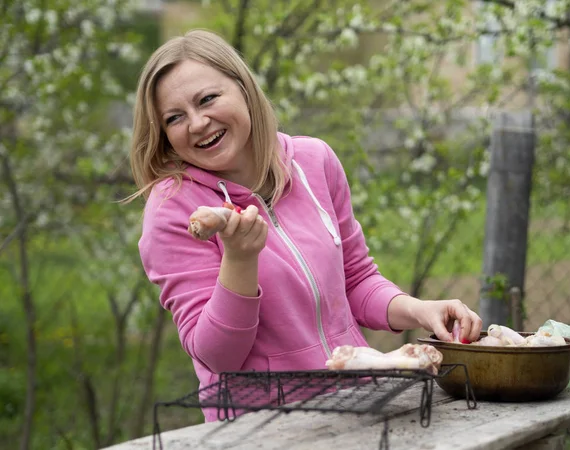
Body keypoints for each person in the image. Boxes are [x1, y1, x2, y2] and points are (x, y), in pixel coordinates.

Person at [129, 29, 482, 422]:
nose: (196, 123)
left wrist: (421, 311)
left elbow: (356, 280)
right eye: (174, 118)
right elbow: (217, 355)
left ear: (244, 88)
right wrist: (241, 261)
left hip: (357, 407)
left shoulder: (314, 161)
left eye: (207, 99)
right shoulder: (173, 209)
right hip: (262, 428)